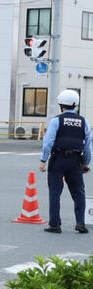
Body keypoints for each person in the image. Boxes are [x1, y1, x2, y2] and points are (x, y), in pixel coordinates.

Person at [40, 89, 92, 234]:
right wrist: (86, 163)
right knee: (78, 193)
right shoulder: (84, 122)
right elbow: (88, 146)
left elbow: (48, 142)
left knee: (55, 192)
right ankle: (81, 223)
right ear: (75, 104)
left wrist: (43, 160)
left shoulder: (57, 120)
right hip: (75, 161)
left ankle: (55, 224)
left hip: (58, 160)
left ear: (61, 104)